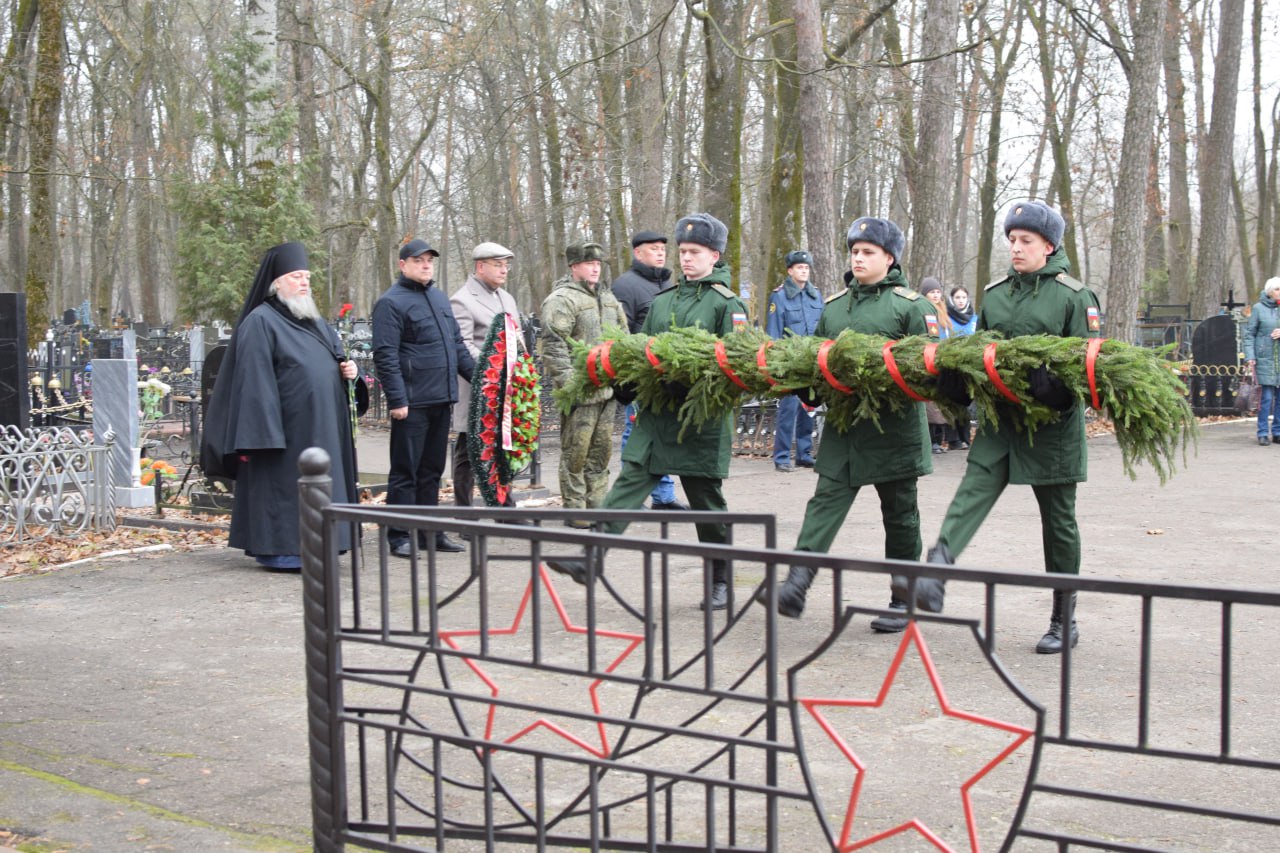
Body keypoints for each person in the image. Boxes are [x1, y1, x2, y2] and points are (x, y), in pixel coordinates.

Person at [919, 200, 1103, 654]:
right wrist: (959, 383)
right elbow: (984, 351)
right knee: (974, 486)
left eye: (1025, 241)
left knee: (1058, 522)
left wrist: (1060, 392)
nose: (1015, 249)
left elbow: (1093, 365)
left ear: (1049, 245)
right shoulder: (997, 293)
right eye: (1012, 240)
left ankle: (1065, 619)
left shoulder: (1075, 296)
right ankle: (937, 568)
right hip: (1003, 416)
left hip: (1053, 425)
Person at [546, 213, 749, 611]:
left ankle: (721, 578)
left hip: (701, 420)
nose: (686, 259)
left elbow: (736, 366)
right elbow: (642, 351)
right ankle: (592, 559)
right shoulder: (665, 301)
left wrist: (692, 382)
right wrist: (628, 382)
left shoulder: (728, 304)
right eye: (683, 252)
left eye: (695, 252)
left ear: (715, 255)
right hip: (658, 415)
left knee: (706, 502)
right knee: (630, 480)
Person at [754, 217, 935, 631]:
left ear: (889, 258)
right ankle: (796, 586)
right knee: (824, 503)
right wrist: (806, 389)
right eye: (854, 251)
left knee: (900, 516)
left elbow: (929, 368)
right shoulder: (834, 307)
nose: (858, 258)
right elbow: (818, 361)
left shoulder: (911, 306)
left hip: (895, 430)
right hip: (844, 428)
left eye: (868, 252)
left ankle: (902, 599)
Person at [200, 241, 360, 570]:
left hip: (324, 425)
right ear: (276, 283)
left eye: (307, 277)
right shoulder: (260, 322)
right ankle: (285, 552)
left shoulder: (316, 321)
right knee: (286, 493)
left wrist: (350, 373)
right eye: (296, 276)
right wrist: (265, 436)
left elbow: (336, 360)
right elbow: (253, 382)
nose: (304, 282)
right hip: (284, 432)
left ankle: (326, 546)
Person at [372, 238, 477, 556]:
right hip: (412, 402)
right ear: (403, 265)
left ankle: (430, 532)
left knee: (432, 469)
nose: (426, 265)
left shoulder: (440, 299)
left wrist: (484, 380)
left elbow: (457, 347)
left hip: (441, 399)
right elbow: (385, 355)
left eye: (430, 260)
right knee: (406, 470)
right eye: (419, 260)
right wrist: (397, 400)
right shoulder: (391, 303)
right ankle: (400, 535)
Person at [539, 241, 629, 525]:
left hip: (608, 389)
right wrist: (569, 385)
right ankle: (576, 509)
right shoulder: (562, 299)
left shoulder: (608, 298)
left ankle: (597, 505)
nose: (594, 268)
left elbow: (623, 338)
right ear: (574, 266)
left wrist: (622, 377)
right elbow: (553, 345)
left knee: (601, 451)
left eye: (598, 264)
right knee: (575, 453)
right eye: (589, 263)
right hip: (580, 391)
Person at [610, 230, 688, 510]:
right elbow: (621, 330)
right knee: (636, 432)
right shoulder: (625, 286)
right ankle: (632, 495)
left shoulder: (669, 282)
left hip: (667, 374)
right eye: (653, 248)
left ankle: (663, 496)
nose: (660, 253)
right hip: (642, 372)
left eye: (662, 249)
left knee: (662, 432)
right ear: (638, 252)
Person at [451, 242, 523, 507]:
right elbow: (464, 344)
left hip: (508, 390)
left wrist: (520, 369)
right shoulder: (462, 300)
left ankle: (505, 509)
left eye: (506, 265)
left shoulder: (506, 298)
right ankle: (464, 514)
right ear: (480, 267)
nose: (504, 270)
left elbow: (517, 337)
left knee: (503, 451)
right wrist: (493, 373)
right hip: (478, 389)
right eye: (498, 265)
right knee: (469, 453)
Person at [767, 250, 823, 472]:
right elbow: (774, 331)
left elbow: (822, 328)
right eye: (800, 267)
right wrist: (777, 361)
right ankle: (781, 457)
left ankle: (804, 453)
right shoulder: (779, 297)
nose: (804, 271)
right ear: (790, 271)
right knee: (788, 410)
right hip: (789, 362)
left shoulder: (815, 296)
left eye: (807, 268)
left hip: (811, 361)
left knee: (809, 408)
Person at [918, 277, 954, 454]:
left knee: (941, 401)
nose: (936, 295)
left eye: (938, 292)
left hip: (944, 359)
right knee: (930, 403)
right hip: (930, 359)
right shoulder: (925, 311)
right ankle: (932, 440)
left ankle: (940, 439)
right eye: (932, 292)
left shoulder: (944, 314)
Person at [1243, 277, 1280, 445]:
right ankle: (1263, 432)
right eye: (1278, 289)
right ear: (1269, 291)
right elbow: (1249, 334)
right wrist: (1250, 356)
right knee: (1265, 398)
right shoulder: (1258, 309)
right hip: (1265, 358)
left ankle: (1278, 432)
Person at [944, 284, 977, 449]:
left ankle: (966, 437)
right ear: (952, 299)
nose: (961, 301)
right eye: (957, 297)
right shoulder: (946, 317)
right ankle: (953, 439)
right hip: (952, 363)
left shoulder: (974, 318)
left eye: (963, 297)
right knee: (953, 401)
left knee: (967, 402)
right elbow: (944, 340)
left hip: (970, 364)